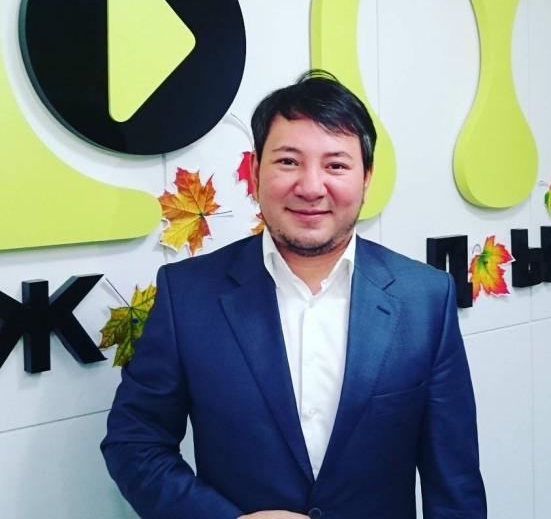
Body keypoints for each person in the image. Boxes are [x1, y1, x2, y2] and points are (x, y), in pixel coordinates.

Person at [101, 70, 487, 519]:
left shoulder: (425, 298)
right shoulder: (187, 295)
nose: (310, 187)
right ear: (254, 172)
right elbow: (135, 442)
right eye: (288, 161)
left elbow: (455, 484)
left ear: (366, 178)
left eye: (336, 165)